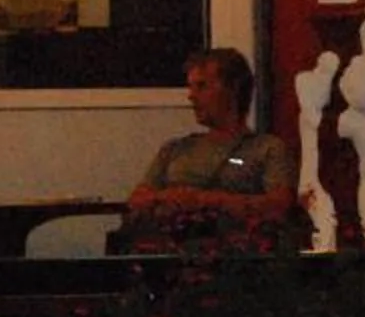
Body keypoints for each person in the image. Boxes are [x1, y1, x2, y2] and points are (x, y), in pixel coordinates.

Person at [125, 46, 297, 244]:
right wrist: (168, 198)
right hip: (170, 248)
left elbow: (279, 206)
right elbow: (136, 201)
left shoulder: (266, 148)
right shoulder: (174, 149)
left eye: (202, 86)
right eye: (190, 87)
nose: (191, 95)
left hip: (235, 250)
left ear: (233, 88)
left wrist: (206, 201)